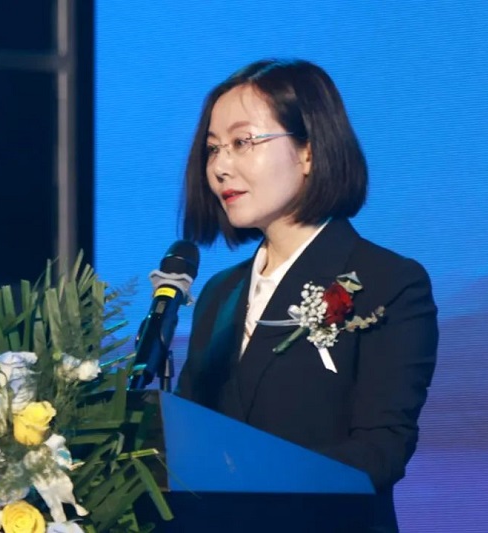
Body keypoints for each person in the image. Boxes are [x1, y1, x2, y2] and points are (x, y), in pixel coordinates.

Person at [176, 59, 438, 531]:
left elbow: (381, 450)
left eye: (242, 142)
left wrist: (250, 479)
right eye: (213, 149)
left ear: (309, 153)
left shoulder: (388, 282)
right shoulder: (219, 294)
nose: (219, 167)